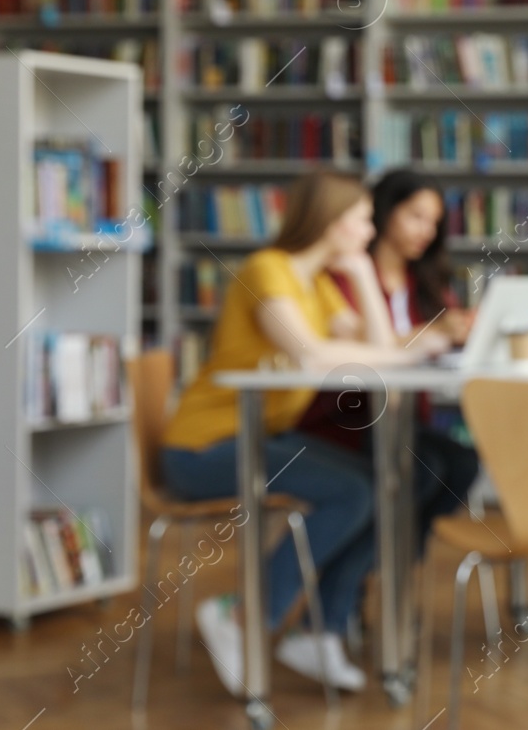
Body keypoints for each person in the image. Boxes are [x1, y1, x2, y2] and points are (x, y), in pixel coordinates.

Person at [161, 170, 446, 697]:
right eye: (362, 221)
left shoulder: (318, 284)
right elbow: (308, 354)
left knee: (388, 486)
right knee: (355, 491)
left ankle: (321, 629)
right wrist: (403, 351)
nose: (370, 231)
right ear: (332, 222)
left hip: (263, 438)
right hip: (204, 446)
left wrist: (361, 276)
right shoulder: (268, 269)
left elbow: (388, 351)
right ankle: (243, 616)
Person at [300, 169, 481, 542]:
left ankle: (396, 562)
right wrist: (422, 338)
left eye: (433, 222)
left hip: (405, 418)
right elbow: (369, 350)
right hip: (350, 418)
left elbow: (426, 340)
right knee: (423, 470)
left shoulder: (427, 281)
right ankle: (371, 563)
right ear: (384, 212)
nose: (426, 232)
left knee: (462, 463)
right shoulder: (342, 276)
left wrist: (459, 331)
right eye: (415, 217)